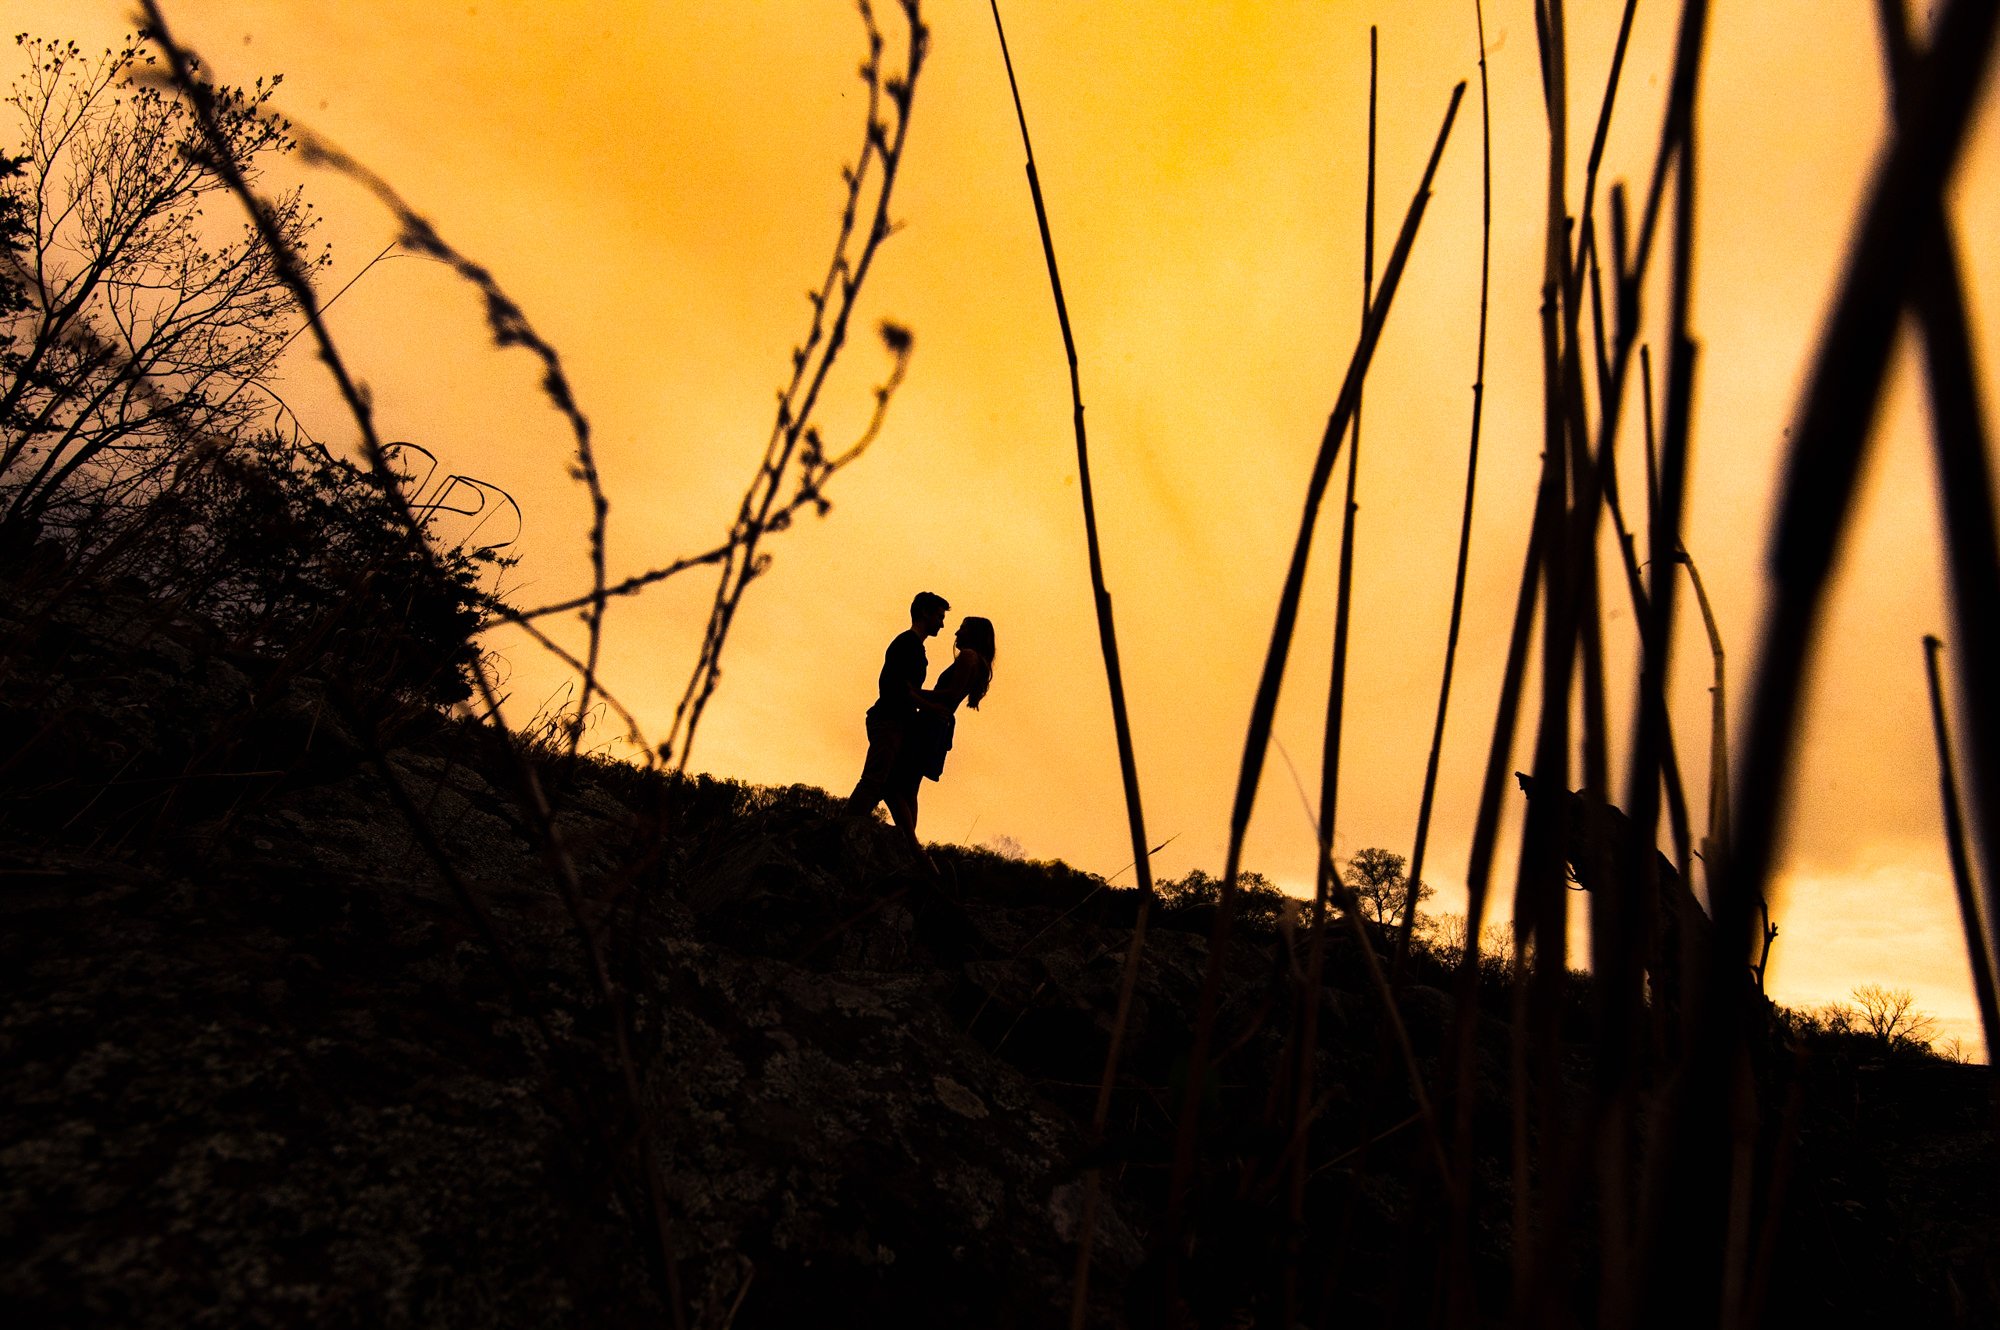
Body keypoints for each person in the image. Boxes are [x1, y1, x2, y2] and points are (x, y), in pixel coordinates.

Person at [885, 615, 995, 846]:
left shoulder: (968, 656)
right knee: (909, 786)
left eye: (962, 628)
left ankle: (909, 843)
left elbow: (952, 694)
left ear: (973, 634)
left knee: (894, 783)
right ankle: (906, 842)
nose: (956, 633)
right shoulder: (978, 663)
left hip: (931, 722)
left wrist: (915, 693)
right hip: (937, 724)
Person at [845, 591, 949, 824]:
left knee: (888, 784)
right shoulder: (906, 644)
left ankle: (905, 842)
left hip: (897, 722)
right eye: (940, 617)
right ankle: (841, 831)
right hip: (888, 720)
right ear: (924, 613)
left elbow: (908, 690)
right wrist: (932, 707)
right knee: (874, 780)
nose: (942, 624)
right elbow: (899, 690)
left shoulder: (914, 647)